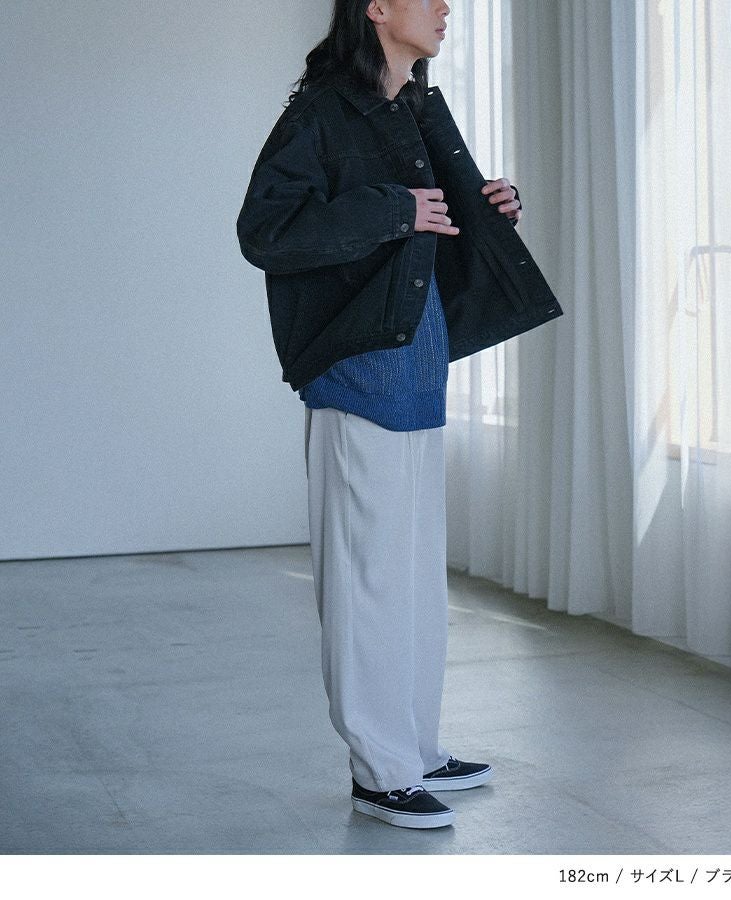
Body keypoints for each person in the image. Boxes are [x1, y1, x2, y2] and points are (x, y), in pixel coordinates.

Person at [237, 0, 562, 829]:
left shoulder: (410, 108)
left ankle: (414, 746)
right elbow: (266, 231)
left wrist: (486, 211)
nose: (446, 6)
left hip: (416, 362)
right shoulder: (322, 113)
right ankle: (378, 770)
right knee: (368, 581)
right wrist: (397, 210)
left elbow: (428, 230)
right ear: (377, 8)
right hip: (359, 368)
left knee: (413, 577)